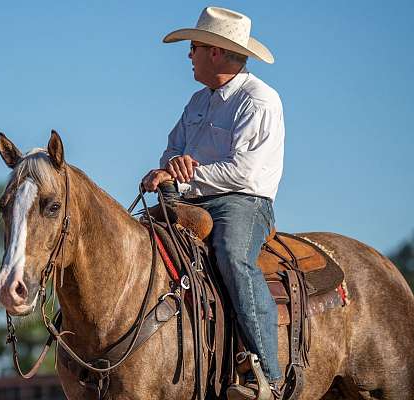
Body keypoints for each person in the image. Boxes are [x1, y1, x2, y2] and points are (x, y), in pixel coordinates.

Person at [142, 6, 284, 400]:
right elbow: (173, 150)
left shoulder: (259, 100)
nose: (189, 56)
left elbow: (244, 171)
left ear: (216, 52)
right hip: (195, 199)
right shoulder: (196, 102)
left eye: (194, 48)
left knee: (231, 255)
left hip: (244, 202)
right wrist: (170, 168)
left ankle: (267, 377)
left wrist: (188, 172)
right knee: (136, 238)